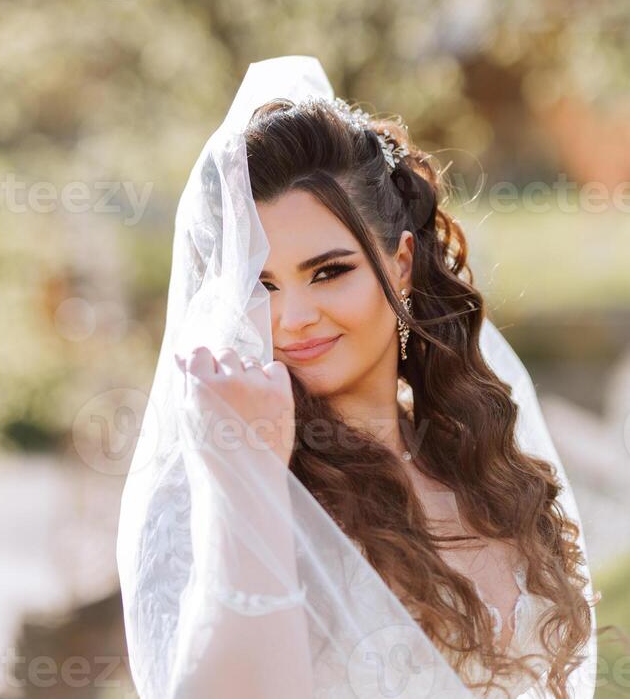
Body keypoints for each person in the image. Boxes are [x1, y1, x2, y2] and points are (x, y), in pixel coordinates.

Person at [116, 56, 599, 699]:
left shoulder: (483, 463)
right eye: (261, 287)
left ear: (399, 264)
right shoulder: (218, 484)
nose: (292, 319)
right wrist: (247, 478)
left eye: (328, 271)